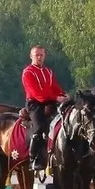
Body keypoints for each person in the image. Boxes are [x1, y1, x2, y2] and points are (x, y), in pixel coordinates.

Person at [22, 45, 66, 175]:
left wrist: (64, 95)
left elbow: (55, 87)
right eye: (37, 55)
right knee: (40, 127)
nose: (40, 57)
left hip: (50, 101)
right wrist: (56, 98)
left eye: (41, 55)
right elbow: (37, 94)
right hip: (35, 103)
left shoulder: (49, 72)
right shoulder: (28, 72)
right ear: (31, 56)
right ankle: (33, 159)